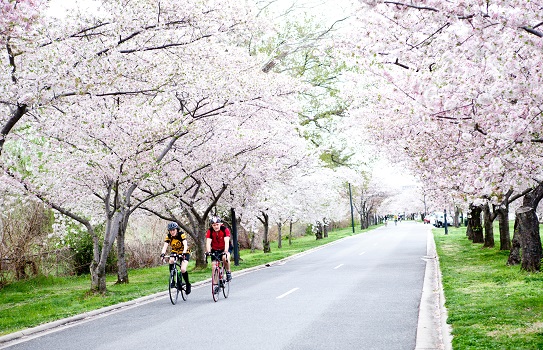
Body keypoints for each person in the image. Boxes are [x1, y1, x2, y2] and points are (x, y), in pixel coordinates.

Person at [160, 222, 191, 294]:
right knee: (171, 260)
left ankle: (187, 284)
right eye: (170, 230)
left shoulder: (181, 234)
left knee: (183, 269)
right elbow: (165, 246)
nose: (172, 232)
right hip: (175, 251)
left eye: (173, 230)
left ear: (177, 229)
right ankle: (173, 279)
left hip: (185, 251)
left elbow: (185, 244)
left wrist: (183, 253)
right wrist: (162, 254)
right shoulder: (168, 236)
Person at [205, 216, 232, 282]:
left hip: (225, 247)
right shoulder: (210, 231)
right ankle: (216, 284)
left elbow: (226, 241)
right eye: (214, 225)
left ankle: (228, 272)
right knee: (214, 266)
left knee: (224, 258)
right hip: (215, 248)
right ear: (212, 225)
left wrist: (225, 251)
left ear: (220, 224)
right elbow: (208, 242)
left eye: (217, 224)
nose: (216, 226)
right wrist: (208, 251)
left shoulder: (225, 229)